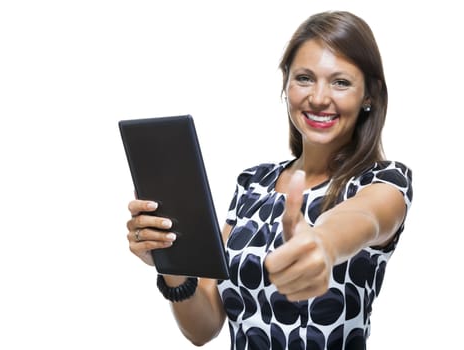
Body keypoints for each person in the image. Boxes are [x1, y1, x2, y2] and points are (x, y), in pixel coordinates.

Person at [125, 10, 413, 350]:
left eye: (340, 82)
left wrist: (323, 244)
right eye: (305, 78)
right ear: (286, 84)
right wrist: (170, 259)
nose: (319, 97)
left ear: (370, 95)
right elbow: (203, 328)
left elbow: (362, 218)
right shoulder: (253, 184)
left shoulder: (382, 182)